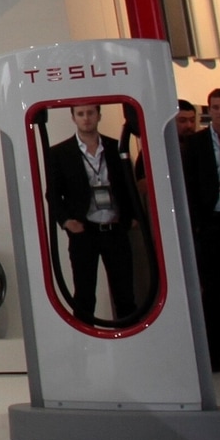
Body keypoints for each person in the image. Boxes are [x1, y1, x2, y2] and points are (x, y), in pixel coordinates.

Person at [45, 103, 139, 325]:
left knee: (125, 293)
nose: (86, 118)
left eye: (90, 113)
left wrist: (133, 216)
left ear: (99, 115)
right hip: (84, 232)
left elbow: (128, 186)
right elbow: (53, 194)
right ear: (73, 118)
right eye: (81, 114)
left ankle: (129, 341)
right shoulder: (60, 153)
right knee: (85, 294)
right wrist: (67, 221)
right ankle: (85, 345)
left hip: (115, 229)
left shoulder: (116, 147)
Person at [181, 88, 220, 372]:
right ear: (209, 111)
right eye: (215, 107)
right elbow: (189, 187)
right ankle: (212, 357)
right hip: (214, 222)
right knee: (214, 291)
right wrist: (197, 224)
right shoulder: (195, 144)